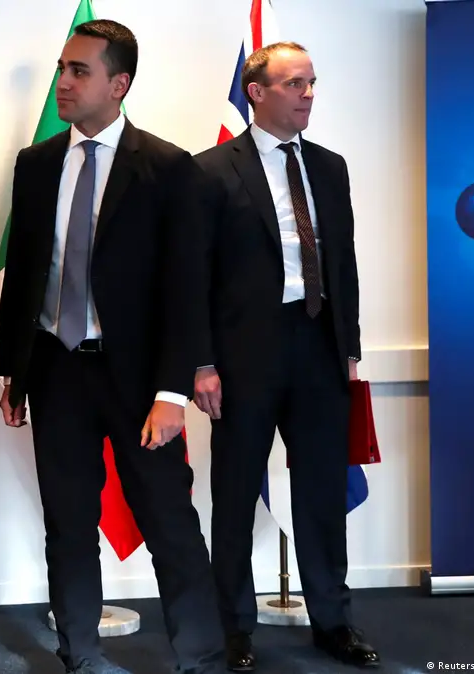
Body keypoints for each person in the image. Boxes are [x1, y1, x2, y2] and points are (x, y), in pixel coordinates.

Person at [0, 19, 225, 674]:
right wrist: (15, 373)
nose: (63, 82)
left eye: (79, 71)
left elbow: (187, 286)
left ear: (118, 84)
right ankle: (80, 654)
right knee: (67, 525)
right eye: (61, 69)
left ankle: (201, 658)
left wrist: (172, 392)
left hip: (141, 382)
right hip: (55, 371)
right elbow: (26, 272)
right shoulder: (37, 164)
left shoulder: (167, 167)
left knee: (168, 524)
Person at [193, 42, 379, 671]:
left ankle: (333, 621)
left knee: (323, 492)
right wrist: (202, 362)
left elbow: (343, 263)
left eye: (312, 82)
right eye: (294, 83)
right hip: (244, 354)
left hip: (320, 344)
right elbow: (192, 275)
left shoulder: (330, 166)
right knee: (236, 490)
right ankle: (234, 627)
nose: (308, 94)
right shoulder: (211, 170)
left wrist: (349, 349)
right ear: (257, 91)